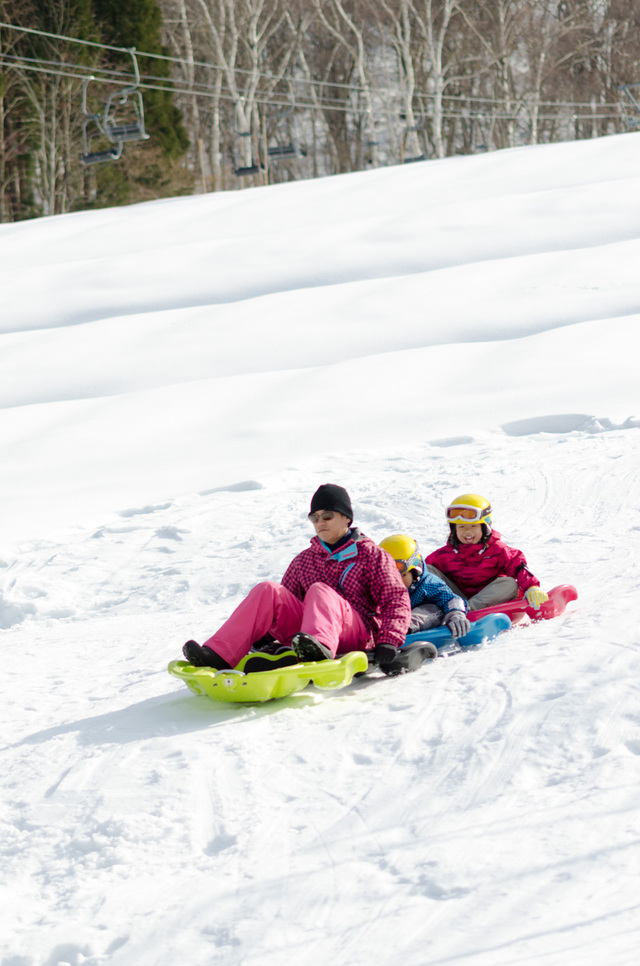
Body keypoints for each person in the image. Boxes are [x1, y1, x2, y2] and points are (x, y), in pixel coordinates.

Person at [182, 484, 418, 676]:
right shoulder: (304, 560)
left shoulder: (371, 554)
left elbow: (395, 599)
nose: (320, 523)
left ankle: (318, 650)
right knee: (269, 589)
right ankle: (219, 655)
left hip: (357, 634)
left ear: (347, 518)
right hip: (307, 638)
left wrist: (389, 640)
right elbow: (284, 606)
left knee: (319, 590)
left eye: (327, 516)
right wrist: (265, 634)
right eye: (314, 518)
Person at [425, 493, 549, 611]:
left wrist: (532, 587)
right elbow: (419, 572)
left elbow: (517, 566)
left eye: (473, 526)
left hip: (488, 597)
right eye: (461, 527)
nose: (467, 532)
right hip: (456, 597)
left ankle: (468, 609)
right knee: (427, 569)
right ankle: (449, 607)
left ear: (485, 528)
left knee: (510, 583)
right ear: (454, 530)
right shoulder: (445, 554)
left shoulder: (497, 549)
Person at [379, 534, 471, 639]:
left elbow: (451, 599)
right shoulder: (379, 585)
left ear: (415, 571)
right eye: (388, 576)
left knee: (434, 608)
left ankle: (403, 629)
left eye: (402, 576)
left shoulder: (428, 583)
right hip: (385, 622)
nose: (394, 582)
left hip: (413, 621)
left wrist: (456, 614)